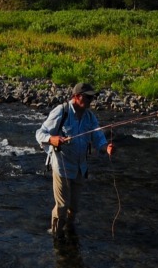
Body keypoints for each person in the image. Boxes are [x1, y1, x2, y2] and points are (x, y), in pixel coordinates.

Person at [35, 81, 114, 235]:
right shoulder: (62, 111)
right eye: (88, 98)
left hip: (80, 167)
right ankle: (56, 234)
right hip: (62, 165)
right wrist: (52, 139)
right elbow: (40, 133)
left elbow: (98, 138)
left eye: (92, 98)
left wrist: (107, 147)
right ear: (77, 97)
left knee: (74, 207)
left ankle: (69, 231)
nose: (91, 101)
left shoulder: (89, 116)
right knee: (62, 205)